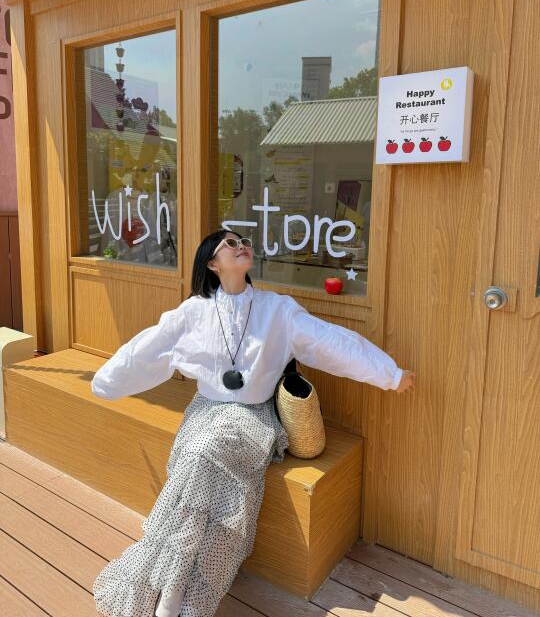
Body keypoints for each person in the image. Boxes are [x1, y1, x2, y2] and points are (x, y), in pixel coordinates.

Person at [91, 229, 415, 617]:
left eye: (243, 241)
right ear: (212, 263)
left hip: (253, 417)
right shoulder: (193, 312)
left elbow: (329, 342)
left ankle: (177, 597)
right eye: (229, 243)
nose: (241, 245)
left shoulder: (277, 309)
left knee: (202, 455)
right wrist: (105, 383)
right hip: (206, 412)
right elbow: (147, 348)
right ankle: (173, 592)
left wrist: (388, 374)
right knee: (199, 464)